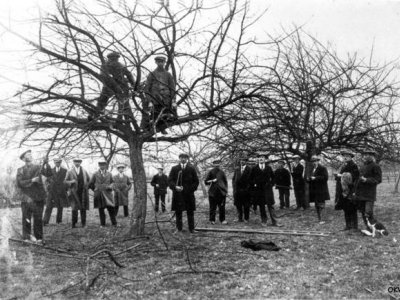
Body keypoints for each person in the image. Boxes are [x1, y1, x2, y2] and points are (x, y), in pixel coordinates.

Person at [16, 150, 52, 244]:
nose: (30, 156)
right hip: (26, 198)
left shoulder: (38, 167)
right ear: (24, 159)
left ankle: (39, 238)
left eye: (31, 154)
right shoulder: (20, 170)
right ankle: (27, 238)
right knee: (26, 218)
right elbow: (20, 183)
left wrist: (47, 163)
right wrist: (32, 180)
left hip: (38, 197)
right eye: (28, 155)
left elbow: (48, 174)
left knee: (38, 218)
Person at [91, 51, 135, 120]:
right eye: (114, 58)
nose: (115, 60)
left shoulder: (108, 66)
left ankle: (96, 114)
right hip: (117, 86)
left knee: (103, 101)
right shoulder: (119, 65)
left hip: (114, 86)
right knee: (123, 104)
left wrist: (133, 84)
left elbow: (102, 77)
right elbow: (129, 75)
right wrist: (133, 84)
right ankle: (126, 118)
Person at [144, 55, 177, 134]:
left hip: (166, 98)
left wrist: (173, 100)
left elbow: (172, 88)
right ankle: (151, 129)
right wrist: (149, 101)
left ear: (164, 63)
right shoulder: (152, 74)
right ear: (156, 62)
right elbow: (147, 88)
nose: (160, 63)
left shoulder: (168, 75)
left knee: (168, 114)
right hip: (155, 98)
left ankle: (162, 127)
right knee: (155, 114)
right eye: (158, 62)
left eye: (162, 62)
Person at [168, 153, 199, 233]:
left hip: (189, 194)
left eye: (185, 158)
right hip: (178, 194)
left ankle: (191, 229)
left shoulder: (192, 168)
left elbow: (196, 182)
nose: (183, 159)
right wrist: (175, 187)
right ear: (179, 158)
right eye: (181, 157)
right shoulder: (174, 168)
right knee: (178, 212)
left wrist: (190, 189)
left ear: (187, 159)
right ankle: (179, 228)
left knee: (190, 212)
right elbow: (170, 180)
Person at [354, 149, 382, 231]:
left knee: (368, 212)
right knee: (363, 212)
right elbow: (358, 180)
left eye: (368, 155)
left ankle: (376, 228)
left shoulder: (375, 166)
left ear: (372, 156)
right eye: (365, 155)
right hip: (361, 193)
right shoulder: (363, 166)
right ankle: (369, 228)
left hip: (370, 194)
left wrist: (366, 180)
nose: (365, 156)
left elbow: (378, 179)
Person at [250, 153, 280, 226]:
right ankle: (264, 221)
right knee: (261, 206)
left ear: (265, 159)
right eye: (259, 157)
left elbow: (274, 178)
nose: (261, 159)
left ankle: (275, 221)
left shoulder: (268, 168)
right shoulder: (254, 168)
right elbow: (250, 179)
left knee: (271, 206)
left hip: (268, 189)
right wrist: (254, 184)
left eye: (262, 157)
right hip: (259, 190)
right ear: (257, 159)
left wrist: (271, 184)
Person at [334, 150, 359, 231]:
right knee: (345, 208)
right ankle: (348, 226)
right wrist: (337, 176)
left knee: (352, 208)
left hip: (350, 190)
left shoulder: (353, 165)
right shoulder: (343, 165)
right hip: (343, 190)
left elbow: (354, 177)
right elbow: (339, 178)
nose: (345, 157)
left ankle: (354, 226)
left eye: (347, 156)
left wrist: (341, 175)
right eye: (344, 156)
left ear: (351, 157)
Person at [64, 158, 91, 228]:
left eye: (79, 162)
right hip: (74, 192)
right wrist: (71, 182)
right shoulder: (70, 171)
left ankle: (83, 223)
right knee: (74, 208)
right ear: (73, 162)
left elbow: (89, 180)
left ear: (80, 163)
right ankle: (73, 224)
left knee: (83, 208)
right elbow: (65, 181)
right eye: (76, 161)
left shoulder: (84, 171)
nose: (77, 163)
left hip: (83, 192)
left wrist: (86, 186)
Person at [89, 160, 117, 227]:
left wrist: (111, 186)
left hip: (108, 194)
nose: (102, 166)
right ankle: (102, 224)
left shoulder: (109, 174)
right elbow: (90, 184)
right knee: (101, 210)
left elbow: (113, 182)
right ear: (99, 166)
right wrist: (95, 190)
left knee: (111, 209)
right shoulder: (95, 174)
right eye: (101, 165)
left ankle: (114, 223)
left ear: (106, 166)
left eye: (103, 165)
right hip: (99, 194)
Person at [43, 157, 69, 225]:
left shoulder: (64, 171)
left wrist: (65, 189)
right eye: (56, 162)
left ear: (60, 163)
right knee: (49, 206)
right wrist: (48, 187)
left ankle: (59, 221)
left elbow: (66, 181)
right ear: (54, 163)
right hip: (52, 191)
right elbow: (46, 180)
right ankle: (45, 221)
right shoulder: (50, 170)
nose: (58, 163)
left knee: (60, 206)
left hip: (60, 191)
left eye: (59, 162)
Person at [308, 156, 330, 224]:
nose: (314, 163)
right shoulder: (313, 169)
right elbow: (311, 178)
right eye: (313, 161)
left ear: (318, 161)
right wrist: (309, 179)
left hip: (321, 189)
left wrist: (315, 178)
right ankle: (319, 219)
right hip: (315, 190)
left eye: (315, 161)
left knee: (321, 204)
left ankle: (322, 219)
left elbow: (325, 178)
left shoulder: (322, 168)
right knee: (317, 205)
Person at [205, 160, 228, 225]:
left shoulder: (222, 172)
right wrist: (212, 180)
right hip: (212, 192)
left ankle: (222, 220)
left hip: (221, 192)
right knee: (212, 207)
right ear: (213, 164)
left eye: (218, 163)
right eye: (215, 164)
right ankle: (212, 220)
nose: (217, 165)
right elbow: (206, 181)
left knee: (222, 207)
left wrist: (225, 190)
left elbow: (225, 182)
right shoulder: (210, 172)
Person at [232, 158, 252, 222]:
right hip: (237, 191)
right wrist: (234, 188)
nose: (242, 162)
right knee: (238, 205)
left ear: (246, 162)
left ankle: (246, 218)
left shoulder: (249, 169)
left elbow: (251, 180)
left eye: (243, 161)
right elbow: (233, 179)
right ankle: (239, 218)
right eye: (241, 160)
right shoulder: (237, 169)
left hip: (246, 191)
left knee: (246, 205)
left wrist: (247, 189)